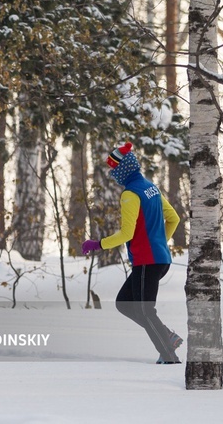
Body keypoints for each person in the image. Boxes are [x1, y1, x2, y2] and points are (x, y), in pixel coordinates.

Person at [82, 141, 183, 364]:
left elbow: (127, 233)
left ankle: (169, 356)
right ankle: (168, 337)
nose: (113, 175)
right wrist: (159, 242)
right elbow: (173, 218)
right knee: (124, 303)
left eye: (114, 170)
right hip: (159, 259)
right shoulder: (150, 187)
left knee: (145, 310)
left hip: (148, 260)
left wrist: (97, 244)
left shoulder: (130, 194)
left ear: (122, 169)